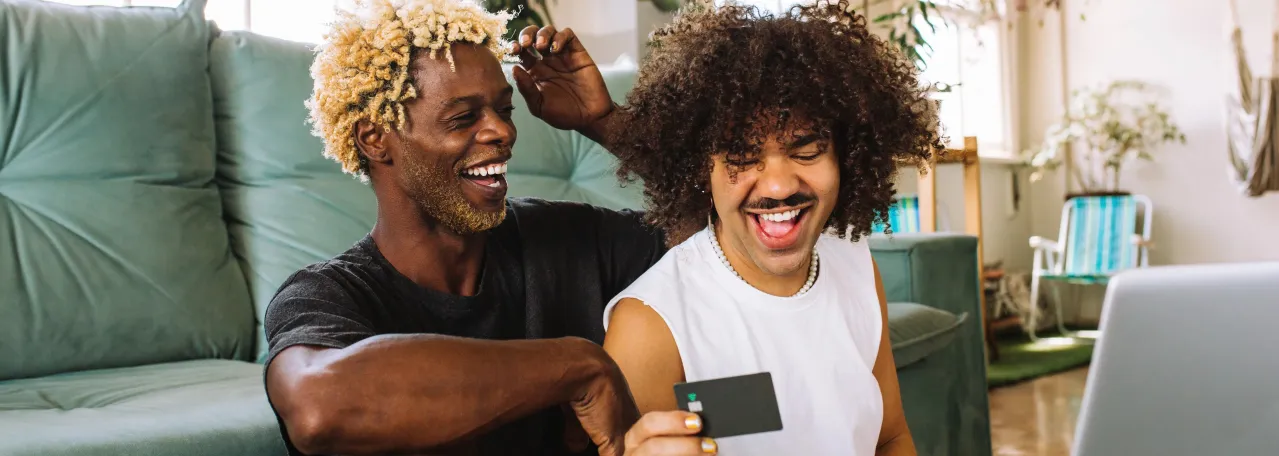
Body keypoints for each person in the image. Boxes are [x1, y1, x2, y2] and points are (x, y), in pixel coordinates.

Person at [263, 0, 713, 455]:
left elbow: (731, 230)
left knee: (757, 399)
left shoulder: (567, 239)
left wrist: (606, 122)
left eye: (505, 110)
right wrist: (577, 366)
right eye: (463, 117)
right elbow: (319, 408)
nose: (502, 132)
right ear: (375, 138)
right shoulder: (327, 295)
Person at [600, 1, 944, 455]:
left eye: (806, 151)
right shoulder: (650, 326)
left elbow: (890, 437)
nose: (780, 186)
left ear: (847, 157)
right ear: (700, 167)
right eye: (742, 156)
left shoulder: (856, 265)